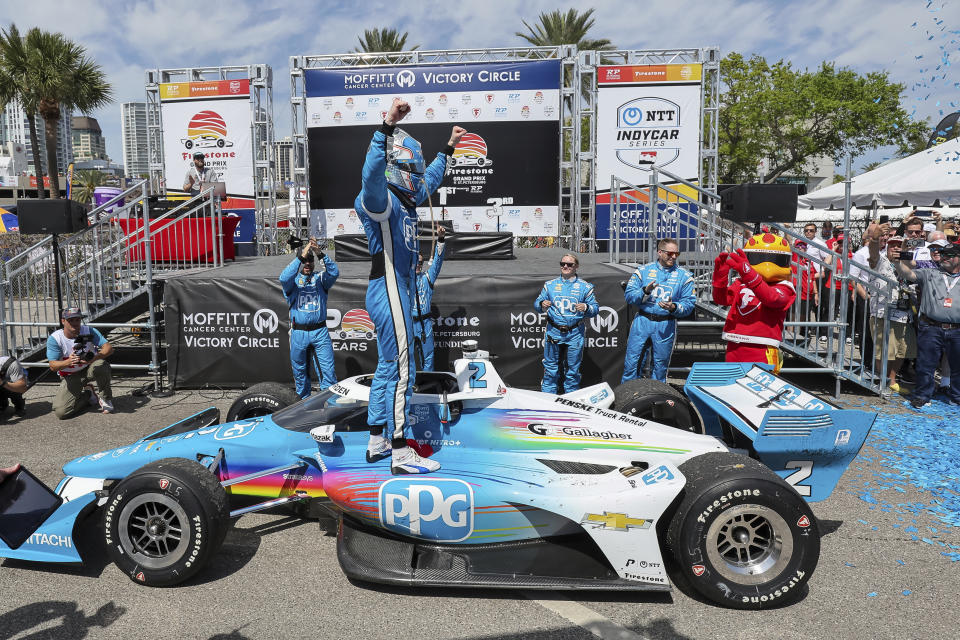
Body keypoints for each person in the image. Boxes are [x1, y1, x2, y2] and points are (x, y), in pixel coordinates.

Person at [356, 97, 465, 474]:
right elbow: (370, 175)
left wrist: (448, 147)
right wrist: (386, 125)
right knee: (405, 369)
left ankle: (376, 441)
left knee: (388, 367)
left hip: (392, 288)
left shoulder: (409, 200)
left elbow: (431, 179)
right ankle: (401, 452)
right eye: (411, 168)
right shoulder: (380, 200)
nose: (418, 176)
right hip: (388, 287)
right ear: (398, 166)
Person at [712, 233, 796, 373]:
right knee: (732, 388)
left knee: (763, 391)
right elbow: (721, 299)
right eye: (759, 258)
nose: (766, 263)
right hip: (735, 344)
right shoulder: (741, 282)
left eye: (775, 258)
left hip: (763, 348)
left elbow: (771, 298)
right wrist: (719, 278)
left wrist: (748, 273)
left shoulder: (785, 286)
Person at [893, 240, 960, 408]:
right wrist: (897, 262)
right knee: (925, 365)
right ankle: (923, 395)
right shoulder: (930, 273)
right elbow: (908, 274)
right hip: (931, 327)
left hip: (957, 330)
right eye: (943, 254)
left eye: (950, 255)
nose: (945, 257)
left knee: (958, 366)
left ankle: (957, 396)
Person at [621, 239, 695, 382]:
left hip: (666, 323)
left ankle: (656, 402)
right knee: (631, 364)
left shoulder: (684, 276)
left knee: (660, 368)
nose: (673, 257)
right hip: (642, 321)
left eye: (677, 254)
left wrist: (674, 307)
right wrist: (645, 291)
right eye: (670, 253)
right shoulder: (643, 271)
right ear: (660, 252)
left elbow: (689, 304)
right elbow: (629, 296)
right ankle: (628, 399)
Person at [854, 226, 915, 394]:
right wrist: (875, 238)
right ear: (886, 247)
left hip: (905, 314)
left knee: (902, 351)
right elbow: (872, 255)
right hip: (883, 313)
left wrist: (906, 255)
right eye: (892, 245)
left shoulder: (908, 262)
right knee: (884, 351)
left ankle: (892, 380)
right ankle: (882, 381)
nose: (895, 248)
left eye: (899, 246)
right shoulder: (880, 260)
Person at [280, 237, 339, 398]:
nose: (308, 264)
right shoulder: (293, 281)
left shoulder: (320, 279)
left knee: (328, 372)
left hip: (320, 331)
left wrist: (320, 254)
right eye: (305, 262)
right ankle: (302, 406)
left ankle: (329, 404)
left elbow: (334, 273)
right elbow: (283, 278)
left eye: (310, 261)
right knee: (300, 374)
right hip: (299, 333)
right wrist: (301, 255)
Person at [536, 253, 600, 394]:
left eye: (569, 264)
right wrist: (542, 304)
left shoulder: (585, 287)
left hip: (574, 333)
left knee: (572, 370)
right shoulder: (550, 285)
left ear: (576, 266)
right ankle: (548, 398)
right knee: (551, 368)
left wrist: (587, 308)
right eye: (562, 263)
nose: (565, 266)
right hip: (554, 331)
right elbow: (536, 304)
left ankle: (571, 399)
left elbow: (595, 308)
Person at [47, 307, 114, 418]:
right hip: (70, 375)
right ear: (63, 321)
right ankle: (88, 394)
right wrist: (69, 361)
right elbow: (53, 366)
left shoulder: (89, 331)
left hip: (89, 368)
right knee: (61, 412)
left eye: (77, 320)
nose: (75, 323)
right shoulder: (55, 338)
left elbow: (109, 348)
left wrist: (95, 358)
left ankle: (106, 398)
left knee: (101, 364)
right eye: (71, 320)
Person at [413, 225, 447, 371]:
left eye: (421, 262)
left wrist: (440, 238)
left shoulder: (427, 278)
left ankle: (428, 388)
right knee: (404, 358)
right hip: (408, 323)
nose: (419, 264)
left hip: (425, 324)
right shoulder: (403, 279)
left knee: (428, 358)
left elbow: (438, 263)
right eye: (416, 261)